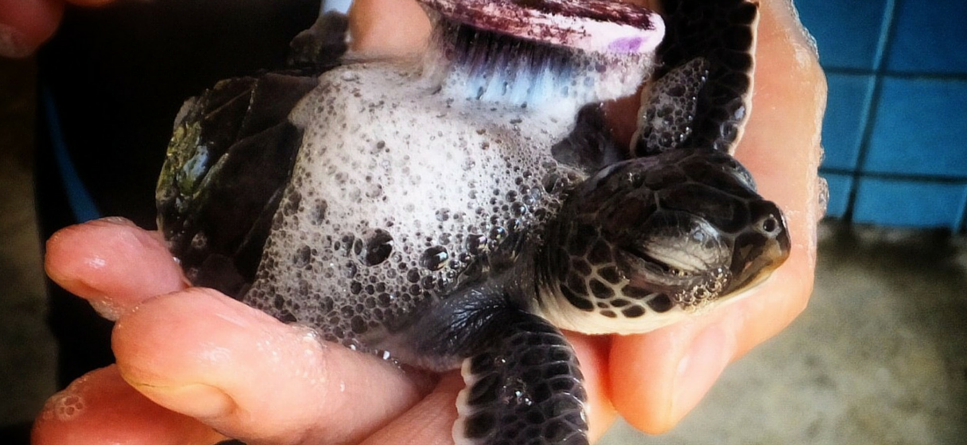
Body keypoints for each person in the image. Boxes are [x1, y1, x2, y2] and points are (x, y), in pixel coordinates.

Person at [8, 0, 826, 443]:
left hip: (331, 64)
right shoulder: (519, 340)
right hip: (177, 98)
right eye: (671, 261)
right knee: (122, 323)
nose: (763, 242)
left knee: (163, 356)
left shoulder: (578, 153)